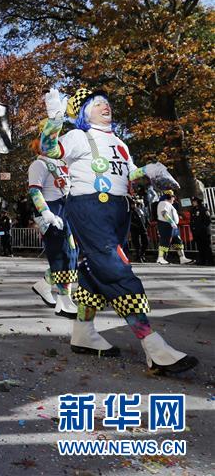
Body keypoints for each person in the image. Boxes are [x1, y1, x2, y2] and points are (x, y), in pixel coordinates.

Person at [40, 86, 197, 376]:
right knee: (115, 269)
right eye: (97, 103)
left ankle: (83, 332)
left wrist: (150, 171)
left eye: (106, 102)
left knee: (92, 270)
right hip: (89, 207)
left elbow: (130, 175)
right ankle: (152, 344)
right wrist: (53, 119)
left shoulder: (120, 143)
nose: (105, 106)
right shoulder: (78, 136)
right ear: (84, 112)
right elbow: (50, 150)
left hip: (119, 211)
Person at [27, 129, 78, 318]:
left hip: (67, 209)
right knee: (61, 254)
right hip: (52, 212)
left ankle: (44, 285)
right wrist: (46, 212)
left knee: (72, 253)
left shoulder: (62, 163)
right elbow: (34, 191)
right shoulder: (38, 164)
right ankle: (65, 301)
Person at [155, 191, 192, 265]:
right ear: (169, 197)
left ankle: (182, 258)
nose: (174, 199)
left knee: (178, 241)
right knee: (165, 242)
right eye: (173, 197)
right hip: (166, 225)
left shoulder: (168, 204)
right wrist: (171, 222)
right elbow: (164, 213)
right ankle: (161, 258)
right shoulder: (163, 203)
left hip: (172, 226)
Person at [189, 197, 213, 266]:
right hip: (196, 232)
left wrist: (202, 228)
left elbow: (208, 221)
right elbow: (192, 221)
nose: (193, 202)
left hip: (204, 232)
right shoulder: (193, 210)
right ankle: (202, 261)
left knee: (207, 247)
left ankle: (210, 261)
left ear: (198, 202)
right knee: (200, 247)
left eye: (194, 201)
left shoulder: (204, 209)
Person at [128, 196, 150, 262]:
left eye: (135, 203)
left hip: (143, 229)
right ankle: (139, 257)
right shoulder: (129, 212)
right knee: (137, 245)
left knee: (146, 242)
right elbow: (129, 221)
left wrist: (147, 224)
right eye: (133, 203)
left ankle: (141, 255)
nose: (134, 204)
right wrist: (136, 226)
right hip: (135, 229)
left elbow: (145, 218)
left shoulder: (140, 209)